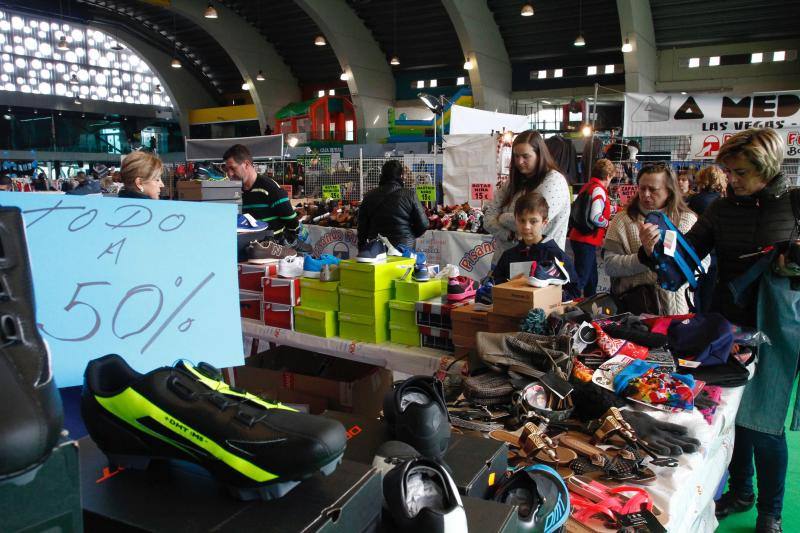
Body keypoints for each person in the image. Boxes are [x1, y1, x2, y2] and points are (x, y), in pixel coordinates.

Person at [640, 129, 798, 533]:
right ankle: (741, 491)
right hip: (725, 325)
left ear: (767, 167)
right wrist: (653, 249)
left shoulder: (795, 205)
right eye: (728, 172)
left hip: (779, 329)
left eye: (741, 172)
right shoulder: (721, 210)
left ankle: (770, 513)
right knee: (730, 415)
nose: (732, 181)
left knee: (764, 422)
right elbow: (683, 261)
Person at [602, 163, 701, 315]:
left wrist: (666, 259)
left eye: (653, 190)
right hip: (634, 311)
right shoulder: (622, 220)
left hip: (677, 310)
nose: (646, 194)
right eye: (642, 188)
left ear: (669, 190)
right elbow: (609, 266)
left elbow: (701, 264)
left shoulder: (686, 220)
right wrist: (643, 257)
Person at [484, 130, 570, 257]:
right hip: (505, 259)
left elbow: (533, 221)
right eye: (516, 156)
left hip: (541, 264)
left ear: (539, 155)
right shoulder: (512, 182)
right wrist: (510, 235)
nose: (519, 162)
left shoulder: (554, 181)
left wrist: (501, 217)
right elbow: (488, 218)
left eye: (525, 156)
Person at [492, 191, 579, 301]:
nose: (526, 226)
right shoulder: (508, 256)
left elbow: (574, 291)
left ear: (544, 222)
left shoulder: (557, 256)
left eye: (533, 221)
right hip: (513, 311)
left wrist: (547, 294)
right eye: (521, 220)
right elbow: (495, 285)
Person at [224, 143, 299, 242]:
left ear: (246, 164)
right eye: (226, 169)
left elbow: (292, 224)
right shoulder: (235, 191)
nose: (229, 174)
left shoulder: (270, 188)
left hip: (273, 250)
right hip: (246, 248)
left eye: (233, 168)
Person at [568, 158, 615, 297]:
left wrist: (614, 208)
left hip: (579, 237)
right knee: (582, 278)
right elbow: (596, 217)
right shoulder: (599, 191)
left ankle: (589, 302)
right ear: (608, 176)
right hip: (586, 240)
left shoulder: (588, 186)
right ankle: (568, 302)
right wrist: (608, 224)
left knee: (591, 277)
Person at [357, 159, 428, 251]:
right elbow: (424, 224)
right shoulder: (410, 195)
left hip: (377, 247)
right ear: (401, 176)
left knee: (380, 266)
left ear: (382, 175)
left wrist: (362, 247)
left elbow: (362, 227)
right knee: (402, 266)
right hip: (403, 247)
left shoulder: (369, 196)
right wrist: (409, 234)